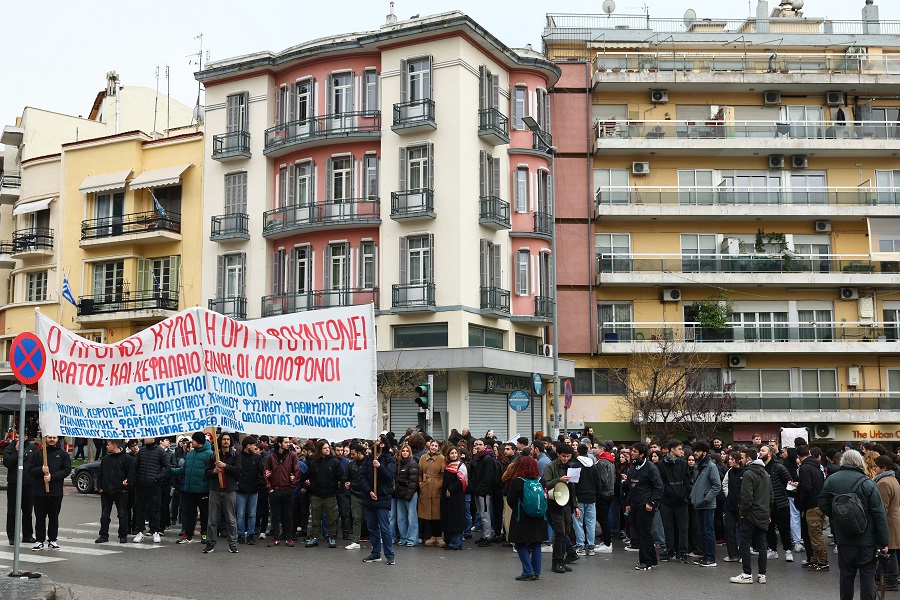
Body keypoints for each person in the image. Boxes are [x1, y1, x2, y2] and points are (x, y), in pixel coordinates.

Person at [819, 450, 890, 600]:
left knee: (846, 575)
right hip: (866, 540)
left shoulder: (831, 480)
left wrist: (839, 516)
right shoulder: (867, 483)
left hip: (843, 538)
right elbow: (879, 514)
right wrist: (884, 541)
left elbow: (823, 505)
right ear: (860, 463)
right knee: (867, 576)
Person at [730, 447, 772, 584]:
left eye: (742, 457)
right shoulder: (765, 473)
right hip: (763, 514)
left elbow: (746, 497)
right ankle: (762, 574)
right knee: (762, 545)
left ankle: (747, 574)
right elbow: (771, 496)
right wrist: (768, 512)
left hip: (750, 514)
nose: (740, 460)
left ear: (748, 459)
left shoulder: (748, 474)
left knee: (745, 543)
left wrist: (742, 512)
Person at [624, 442, 664, 570]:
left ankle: (645, 561)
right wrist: (628, 503)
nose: (631, 453)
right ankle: (652, 560)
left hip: (645, 505)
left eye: (634, 451)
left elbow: (659, 487)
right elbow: (631, 487)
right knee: (642, 532)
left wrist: (651, 502)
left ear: (641, 454)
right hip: (635, 504)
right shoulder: (633, 468)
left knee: (644, 533)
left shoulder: (651, 468)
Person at [542, 442, 580, 574]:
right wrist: (559, 480)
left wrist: (575, 506)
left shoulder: (569, 466)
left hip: (567, 504)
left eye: (568, 456)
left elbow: (572, 488)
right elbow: (545, 484)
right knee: (560, 533)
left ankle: (561, 561)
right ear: (557, 454)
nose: (565, 459)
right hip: (554, 504)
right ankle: (556, 562)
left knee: (565, 533)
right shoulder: (550, 467)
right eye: (563, 456)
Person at [27, 435, 71, 550]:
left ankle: (52, 540)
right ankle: (39, 540)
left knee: (53, 517)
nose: (52, 440)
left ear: (57, 439)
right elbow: (30, 470)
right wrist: (41, 470)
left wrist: (52, 477)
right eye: (50, 437)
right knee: (40, 517)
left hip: (55, 492)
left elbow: (66, 470)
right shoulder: (37, 454)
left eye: (54, 438)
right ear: (45, 439)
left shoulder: (63, 454)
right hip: (39, 491)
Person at [507, 455, 546, 581]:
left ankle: (528, 571)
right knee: (536, 544)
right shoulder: (541, 480)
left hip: (521, 516)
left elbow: (510, 500)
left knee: (520, 543)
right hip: (538, 517)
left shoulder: (517, 481)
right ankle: (537, 571)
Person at [359, 437, 397, 565]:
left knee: (385, 528)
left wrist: (380, 467)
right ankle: (375, 553)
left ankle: (390, 555)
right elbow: (362, 476)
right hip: (370, 497)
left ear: (382, 444)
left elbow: (389, 477)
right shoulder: (369, 458)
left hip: (382, 498)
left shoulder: (390, 459)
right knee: (372, 528)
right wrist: (369, 490)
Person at [170, 432, 213, 544]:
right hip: (189, 490)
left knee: (204, 514)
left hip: (203, 490)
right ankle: (187, 535)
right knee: (189, 514)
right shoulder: (190, 454)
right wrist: (170, 471)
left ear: (198, 441)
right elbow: (183, 470)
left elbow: (211, 472)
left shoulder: (210, 454)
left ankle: (204, 534)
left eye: (193, 440)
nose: (191, 442)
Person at [203, 432, 242, 554]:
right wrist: (214, 471)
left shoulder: (235, 455)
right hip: (215, 490)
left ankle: (233, 544)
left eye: (228, 439)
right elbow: (206, 473)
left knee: (231, 519)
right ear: (220, 441)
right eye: (224, 439)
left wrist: (225, 466)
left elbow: (238, 472)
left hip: (229, 490)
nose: (226, 441)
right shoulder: (214, 455)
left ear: (230, 441)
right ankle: (210, 544)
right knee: (212, 519)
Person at [304, 439, 344, 548]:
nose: (327, 450)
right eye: (324, 448)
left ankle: (331, 538)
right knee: (315, 518)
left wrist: (343, 485)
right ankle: (314, 538)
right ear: (319, 449)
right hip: (316, 494)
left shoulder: (334, 462)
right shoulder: (313, 462)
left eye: (328, 448)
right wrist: (304, 479)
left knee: (332, 518)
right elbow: (308, 474)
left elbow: (341, 476)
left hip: (330, 494)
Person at [95, 439, 136, 544]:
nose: (106, 447)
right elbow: (99, 474)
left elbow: (131, 474)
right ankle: (103, 535)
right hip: (106, 492)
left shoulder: (127, 459)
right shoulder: (105, 459)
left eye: (108, 445)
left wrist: (127, 486)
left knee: (122, 514)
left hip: (120, 491)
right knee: (105, 515)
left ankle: (123, 535)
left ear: (114, 445)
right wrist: (100, 487)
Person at [264, 436, 302, 547]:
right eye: (285, 442)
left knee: (288, 515)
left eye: (288, 442)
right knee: (275, 515)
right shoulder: (271, 456)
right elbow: (265, 472)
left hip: (287, 489)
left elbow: (297, 471)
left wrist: (292, 486)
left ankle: (289, 538)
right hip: (274, 490)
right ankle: (276, 538)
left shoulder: (292, 455)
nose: (288, 444)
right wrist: (269, 488)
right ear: (279, 443)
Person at [760, 444, 794, 562]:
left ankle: (788, 551)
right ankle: (773, 550)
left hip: (780, 503)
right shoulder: (761, 468)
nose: (760, 452)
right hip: (766, 504)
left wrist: (784, 495)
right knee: (769, 528)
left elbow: (789, 483)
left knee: (783, 528)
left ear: (769, 454)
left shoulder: (779, 467)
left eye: (762, 450)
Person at [659, 439, 691, 563]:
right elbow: (662, 482)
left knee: (683, 527)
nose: (681, 451)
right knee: (668, 527)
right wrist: (672, 493)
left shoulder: (683, 463)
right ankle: (670, 550)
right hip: (667, 500)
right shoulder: (662, 464)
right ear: (672, 449)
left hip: (681, 500)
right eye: (679, 449)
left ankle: (682, 552)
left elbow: (687, 480)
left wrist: (682, 493)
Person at [132, 437, 170, 544]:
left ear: (153, 438)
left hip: (154, 486)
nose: (144, 438)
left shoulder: (160, 452)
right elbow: (136, 466)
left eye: (147, 436)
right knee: (140, 509)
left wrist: (158, 478)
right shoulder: (142, 451)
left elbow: (167, 467)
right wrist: (135, 479)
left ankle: (155, 531)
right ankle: (140, 531)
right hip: (140, 485)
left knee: (155, 509)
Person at [690, 440, 722, 567]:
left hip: (707, 505)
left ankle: (711, 558)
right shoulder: (698, 465)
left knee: (708, 531)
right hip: (698, 504)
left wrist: (706, 498)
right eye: (694, 451)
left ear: (704, 453)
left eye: (697, 451)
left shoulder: (711, 466)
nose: (695, 453)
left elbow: (717, 485)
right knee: (702, 531)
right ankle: (705, 555)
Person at [796, 445, 827, 569]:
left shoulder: (804, 468)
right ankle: (815, 559)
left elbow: (807, 488)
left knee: (815, 535)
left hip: (811, 505)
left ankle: (822, 561)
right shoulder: (817, 468)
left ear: (798, 457)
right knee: (814, 534)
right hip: (818, 504)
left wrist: (801, 500)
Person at [3, 432, 36, 545]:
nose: (17, 438)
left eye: (20, 436)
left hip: (28, 484)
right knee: (12, 511)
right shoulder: (10, 448)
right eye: (16, 437)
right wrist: (17, 452)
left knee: (27, 511)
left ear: (26, 437)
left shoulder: (32, 447)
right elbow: (7, 462)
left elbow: (36, 462)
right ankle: (12, 536)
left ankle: (27, 535)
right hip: (14, 484)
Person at [874, 455, 900, 591]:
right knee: (892, 550)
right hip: (894, 519)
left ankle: (890, 580)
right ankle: (890, 579)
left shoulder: (883, 482)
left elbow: (881, 508)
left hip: (888, 521)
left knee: (889, 551)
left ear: (884, 468)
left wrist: (878, 525)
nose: (874, 469)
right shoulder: (893, 479)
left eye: (876, 467)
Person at [573, 443, 600, 556]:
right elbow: (598, 482)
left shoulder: (574, 465)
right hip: (591, 497)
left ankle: (581, 546)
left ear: (577, 452)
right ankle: (591, 546)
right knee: (590, 522)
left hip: (579, 498)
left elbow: (572, 484)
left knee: (578, 523)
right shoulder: (593, 465)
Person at [470, 437, 498, 547]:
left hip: (483, 492)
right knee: (481, 514)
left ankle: (487, 537)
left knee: (485, 515)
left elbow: (488, 477)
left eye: (480, 444)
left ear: (485, 446)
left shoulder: (488, 459)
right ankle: (484, 535)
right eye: (476, 444)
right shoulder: (479, 458)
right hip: (478, 491)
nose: (477, 446)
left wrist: (483, 491)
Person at [236, 436, 263, 544]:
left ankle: (251, 535)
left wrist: (259, 482)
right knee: (240, 514)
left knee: (252, 513)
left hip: (253, 489)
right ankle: (240, 535)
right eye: (254, 445)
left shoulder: (257, 458)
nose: (255, 447)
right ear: (248, 445)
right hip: (241, 489)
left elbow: (261, 471)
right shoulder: (238, 457)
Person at [418, 439, 446, 547]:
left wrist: (439, 485)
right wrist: (421, 483)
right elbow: (419, 472)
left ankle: (439, 536)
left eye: (436, 446)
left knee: (436, 513)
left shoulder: (442, 458)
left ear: (438, 448)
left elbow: (444, 474)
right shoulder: (423, 458)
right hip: (425, 487)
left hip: (436, 488)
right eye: (432, 445)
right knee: (427, 513)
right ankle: (432, 536)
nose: (433, 447)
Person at [391, 442, 419, 547]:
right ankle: (403, 538)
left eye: (407, 451)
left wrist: (409, 495)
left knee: (412, 518)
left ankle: (411, 539)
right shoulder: (399, 464)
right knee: (401, 518)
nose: (405, 452)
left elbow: (413, 481)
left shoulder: (412, 463)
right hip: (399, 494)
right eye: (403, 451)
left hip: (409, 494)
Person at [441, 446, 468, 550]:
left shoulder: (461, 466)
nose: (454, 455)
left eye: (455, 453)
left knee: (457, 520)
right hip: (448, 498)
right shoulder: (448, 466)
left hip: (457, 497)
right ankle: (451, 541)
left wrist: (450, 489)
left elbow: (462, 481)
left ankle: (456, 543)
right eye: (451, 453)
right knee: (450, 519)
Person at [345, 442, 367, 549]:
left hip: (368, 493)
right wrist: (348, 484)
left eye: (353, 454)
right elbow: (346, 477)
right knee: (356, 517)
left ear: (359, 453)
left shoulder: (369, 462)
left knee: (370, 518)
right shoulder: (351, 464)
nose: (351, 456)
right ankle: (356, 540)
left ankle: (374, 537)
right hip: (355, 494)